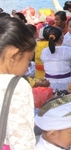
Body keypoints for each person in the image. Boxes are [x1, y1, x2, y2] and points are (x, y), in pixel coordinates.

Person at [0, 17, 36, 149]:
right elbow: (22, 144)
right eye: (28, 59)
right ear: (14, 55)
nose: (27, 67)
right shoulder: (16, 86)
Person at [41, 26, 71, 91]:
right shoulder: (68, 50)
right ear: (61, 37)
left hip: (48, 85)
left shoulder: (44, 51)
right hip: (66, 84)